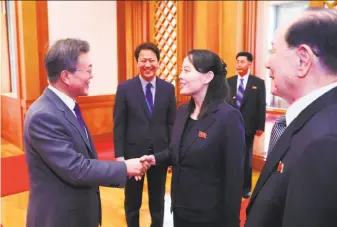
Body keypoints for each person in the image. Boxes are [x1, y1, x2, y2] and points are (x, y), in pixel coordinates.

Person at [24, 38, 148, 227]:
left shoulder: (66, 106)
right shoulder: (44, 116)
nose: (91, 76)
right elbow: (76, 168)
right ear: (66, 76)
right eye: (88, 70)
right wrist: (125, 168)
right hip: (60, 218)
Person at [245, 8, 337, 227]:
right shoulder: (314, 117)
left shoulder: (324, 142)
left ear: (303, 60)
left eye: (273, 51)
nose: (267, 63)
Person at [141, 49, 245, 227]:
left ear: (207, 77)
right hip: (180, 210)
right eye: (181, 70)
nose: (180, 76)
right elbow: (177, 151)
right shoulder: (182, 111)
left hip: (209, 217)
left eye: (187, 70)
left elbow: (234, 179)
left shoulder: (228, 118)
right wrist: (154, 159)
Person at [113, 42, 176, 227]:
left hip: (159, 153)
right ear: (137, 62)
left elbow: (171, 123)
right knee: (132, 198)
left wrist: (171, 155)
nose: (147, 65)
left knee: (158, 199)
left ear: (158, 62)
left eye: (152, 60)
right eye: (143, 60)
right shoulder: (125, 88)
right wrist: (120, 156)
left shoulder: (168, 89)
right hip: (133, 154)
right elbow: (119, 124)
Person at [227, 51, 266, 198]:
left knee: (246, 158)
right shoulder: (229, 81)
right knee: (231, 156)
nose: (239, 64)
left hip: (248, 126)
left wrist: (260, 126)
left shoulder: (258, 83)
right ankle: (231, 186)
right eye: (237, 61)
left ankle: (245, 188)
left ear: (250, 63)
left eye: (242, 62)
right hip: (231, 126)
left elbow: (261, 105)